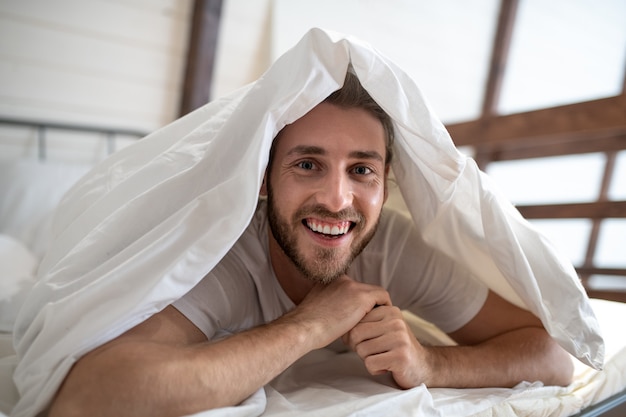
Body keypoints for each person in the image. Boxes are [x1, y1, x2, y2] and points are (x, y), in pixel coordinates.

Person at [47, 72, 574, 417]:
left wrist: (431, 364)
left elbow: (552, 357)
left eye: (361, 170)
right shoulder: (223, 253)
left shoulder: (391, 245)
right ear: (261, 178)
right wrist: (310, 325)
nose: (337, 199)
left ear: (384, 185)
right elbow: (93, 395)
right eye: (307, 164)